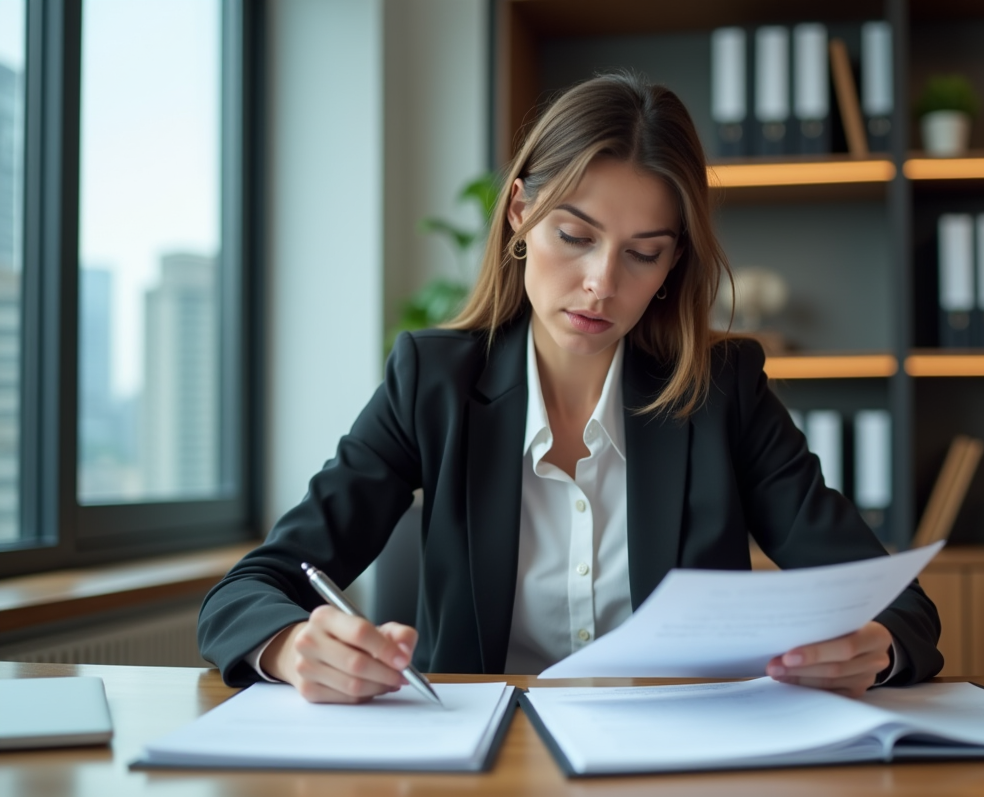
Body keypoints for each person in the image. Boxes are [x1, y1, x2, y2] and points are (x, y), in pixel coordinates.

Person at [198, 72, 941, 704]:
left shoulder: (724, 391)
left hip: (677, 764)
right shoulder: (433, 381)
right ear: (521, 212)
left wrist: (876, 646)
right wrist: (292, 648)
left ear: (672, 267)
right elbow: (250, 589)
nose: (602, 284)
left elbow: (897, 604)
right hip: (486, 769)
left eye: (643, 254)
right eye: (575, 236)